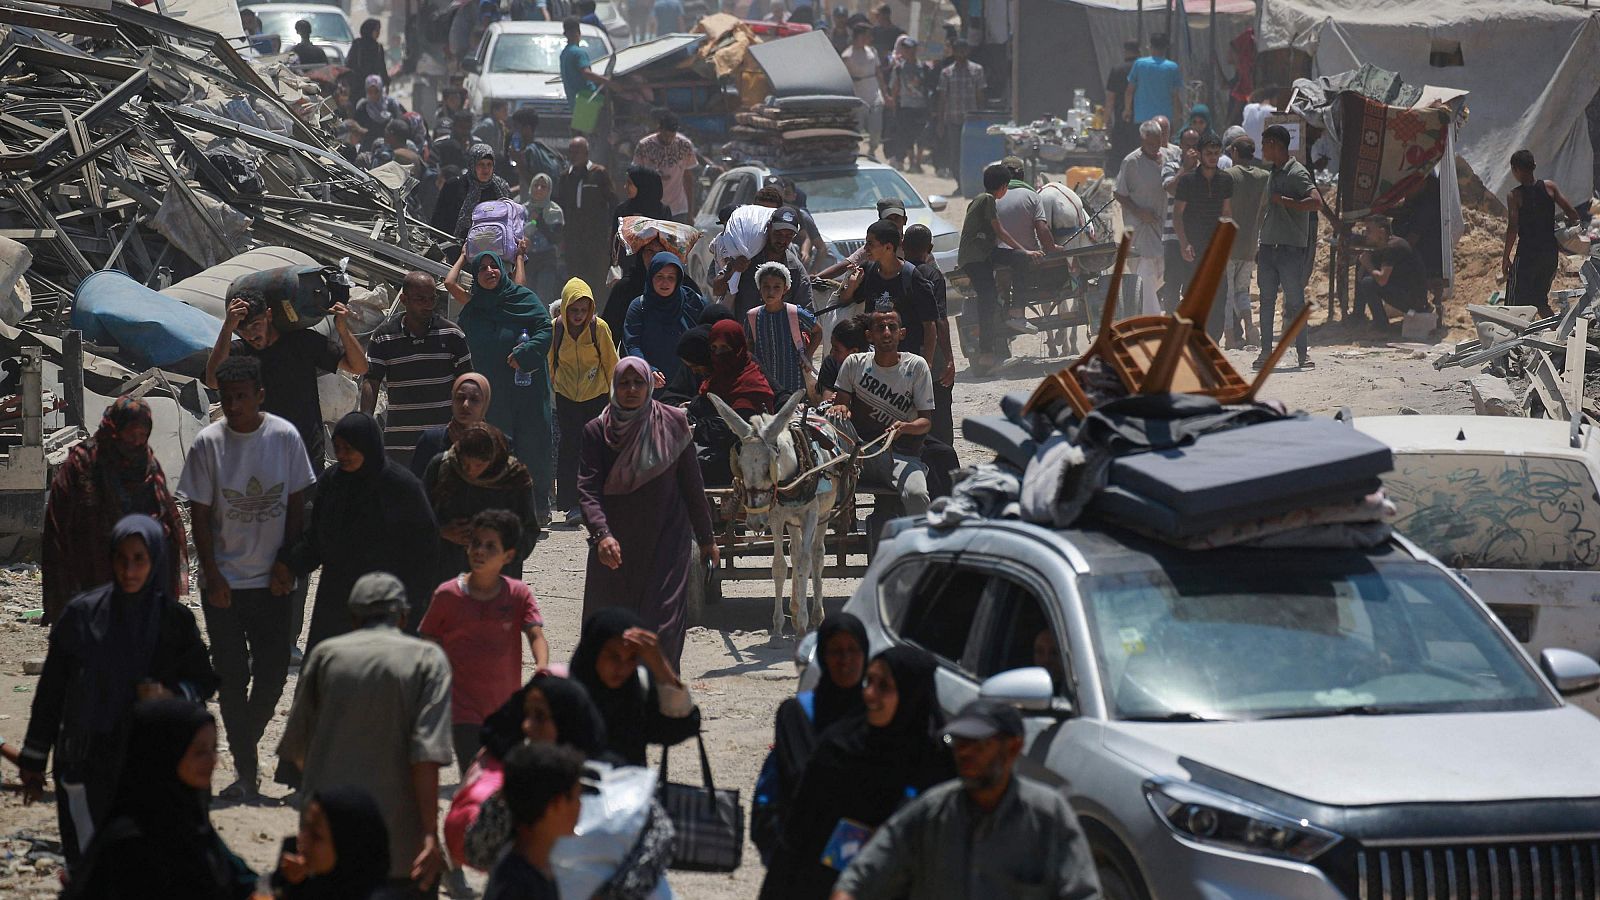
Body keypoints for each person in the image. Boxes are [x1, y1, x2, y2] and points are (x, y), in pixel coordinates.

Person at [20, 516, 216, 865]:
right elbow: (52, 691)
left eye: (139, 559)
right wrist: (34, 760)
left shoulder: (174, 622)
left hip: (152, 764)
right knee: (89, 863)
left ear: (155, 560)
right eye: (121, 559)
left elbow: (203, 682)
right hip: (85, 761)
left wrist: (168, 697)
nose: (129, 570)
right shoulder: (82, 616)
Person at [179, 355, 316, 802]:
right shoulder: (207, 444)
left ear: (260, 395)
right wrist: (211, 574)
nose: (233, 405)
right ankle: (245, 772)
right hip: (225, 586)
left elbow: (296, 509)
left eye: (241, 397)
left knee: (274, 674)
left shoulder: (284, 437)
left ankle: (244, 745)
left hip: (273, 583)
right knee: (232, 677)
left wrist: (288, 564)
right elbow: (199, 516)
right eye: (226, 397)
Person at [278, 572, 454, 897]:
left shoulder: (326, 654)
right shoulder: (427, 660)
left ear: (353, 618)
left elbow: (300, 750)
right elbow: (425, 756)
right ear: (403, 616)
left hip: (328, 846)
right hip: (399, 850)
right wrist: (429, 834)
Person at [830, 699, 1101, 900]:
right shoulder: (931, 813)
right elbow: (860, 878)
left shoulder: (1047, 816)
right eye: (959, 743)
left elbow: (1082, 894)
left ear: (1013, 747)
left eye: (978, 744)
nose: (965, 754)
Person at [758, 646, 953, 900]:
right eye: (868, 681)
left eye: (884, 686)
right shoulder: (838, 750)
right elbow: (797, 839)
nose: (870, 694)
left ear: (911, 694)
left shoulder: (939, 764)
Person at [579, 360, 716, 667]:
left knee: (661, 632)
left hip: (666, 543)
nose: (630, 390)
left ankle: (661, 704)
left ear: (649, 386)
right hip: (615, 548)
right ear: (614, 386)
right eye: (624, 383)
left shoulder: (673, 423)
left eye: (637, 383)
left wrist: (707, 538)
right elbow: (588, 489)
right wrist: (602, 534)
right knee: (611, 635)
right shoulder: (597, 431)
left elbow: (693, 485)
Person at [61, 700, 255, 900]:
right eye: (199, 752)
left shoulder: (188, 821)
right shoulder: (130, 845)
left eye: (213, 749)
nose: (213, 760)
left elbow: (241, 881)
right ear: (165, 754)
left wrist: (285, 879)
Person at [275, 412, 438, 649]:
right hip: (337, 597)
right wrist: (289, 564)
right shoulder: (333, 482)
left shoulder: (401, 487)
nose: (341, 455)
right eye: (338, 448)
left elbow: (425, 548)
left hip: (385, 602)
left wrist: (411, 605)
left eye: (349, 448)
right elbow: (316, 539)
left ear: (367, 446)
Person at [422, 509, 548, 774]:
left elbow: (535, 634)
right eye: (476, 544)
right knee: (474, 772)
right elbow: (429, 637)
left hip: (506, 706)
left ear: (508, 556)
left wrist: (542, 666)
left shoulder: (518, 594)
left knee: (504, 774)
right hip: (461, 707)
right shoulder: (447, 595)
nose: (479, 551)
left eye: (491, 546)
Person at [41, 397, 187, 624]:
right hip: (90, 568)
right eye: (131, 434)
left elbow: (164, 513)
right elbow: (58, 522)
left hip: (139, 573)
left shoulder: (146, 463)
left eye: (142, 435)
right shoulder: (84, 463)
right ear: (114, 429)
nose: (136, 442)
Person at [452, 674, 608, 868]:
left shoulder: (603, 793)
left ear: (566, 721)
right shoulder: (522, 779)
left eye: (540, 717)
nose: (526, 726)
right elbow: (478, 852)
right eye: (527, 715)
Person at [205, 288, 366, 472]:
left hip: (306, 457)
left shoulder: (302, 342)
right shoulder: (240, 353)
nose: (250, 335)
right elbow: (213, 381)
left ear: (269, 315)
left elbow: (359, 367)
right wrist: (227, 328)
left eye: (256, 324)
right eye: (242, 330)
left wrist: (343, 331)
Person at [447, 247, 555, 514]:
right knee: (496, 446)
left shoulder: (523, 298)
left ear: (501, 268)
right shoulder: (473, 309)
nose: (488, 272)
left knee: (534, 445)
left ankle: (537, 505)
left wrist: (526, 353)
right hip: (492, 392)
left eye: (492, 266)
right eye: (481, 269)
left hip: (527, 388)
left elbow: (545, 327)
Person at [753, 614, 868, 863]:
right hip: (801, 861)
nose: (845, 660)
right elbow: (771, 796)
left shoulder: (876, 716)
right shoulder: (796, 716)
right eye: (836, 651)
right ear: (823, 657)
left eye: (853, 650)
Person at [827, 305, 935, 519]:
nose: (886, 333)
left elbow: (926, 421)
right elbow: (841, 404)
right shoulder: (854, 363)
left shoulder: (916, 366)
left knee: (918, 495)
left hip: (901, 457)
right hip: (858, 456)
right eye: (880, 328)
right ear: (870, 335)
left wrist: (905, 427)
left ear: (901, 333)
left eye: (892, 327)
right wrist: (840, 408)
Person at [361, 271, 473, 467]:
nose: (429, 304)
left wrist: (467, 425)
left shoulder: (452, 335)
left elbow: (467, 384)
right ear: (404, 299)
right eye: (420, 299)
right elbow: (371, 380)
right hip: (400, 444)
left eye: (432, 298)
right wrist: (364, 424)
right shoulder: (384, 337)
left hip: (443, 442)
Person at [569, 609, 702, 765]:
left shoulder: (638, 690)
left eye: (632, 658)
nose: (622, 667)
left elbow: (678, 728)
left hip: (630, 788)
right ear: (593, 652)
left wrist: (659, 664)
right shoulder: (562, 697)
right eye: (614, 656)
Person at [424, 422, 539, 592]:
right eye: (465, 464)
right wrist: (442, 531)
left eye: (478, 465)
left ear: (493, 458)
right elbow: (418, 519)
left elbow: (529, 530)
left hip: (498, 583)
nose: (469, 472)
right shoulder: (442, 468)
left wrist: (496, 545)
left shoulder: (514, 478)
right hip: (448, 579)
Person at [959, 167, 1045, 371]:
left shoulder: (979, 200)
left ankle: (1016, 312)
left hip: (985, 254)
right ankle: (987, 355)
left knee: (1019, 259)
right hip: (976, 258)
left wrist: (1021, 252)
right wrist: (1026, 249)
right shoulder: (988, 199)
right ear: (1004, 187)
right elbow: (1000, 231)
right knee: (987, 300)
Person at [550, 278, 619, 526]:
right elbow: (550, 363)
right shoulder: (556, 329)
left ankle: (597, 500)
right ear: (565, 307)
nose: (578, 315)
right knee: (569, 448)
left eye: (583, 310)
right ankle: (572, 504)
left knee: (595, 447)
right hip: (567, 397)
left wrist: (616, 398)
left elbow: (612, 363)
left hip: (596, 396)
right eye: (573, 310)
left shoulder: (598, 328)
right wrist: (553, 390)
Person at [1255, 123, 1322, 371]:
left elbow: (1316, 202)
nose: (1262, 149)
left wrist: (1285, 201)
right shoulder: (1273, 172)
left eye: (1265, 144)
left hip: (1289, 250)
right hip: (1268, 247)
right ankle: (1265, 353)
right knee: (1266, 301)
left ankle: (1303, 355)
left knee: (1295, 303)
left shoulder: (1297, 172)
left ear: (1275, 145)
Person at [483, 743, 585, 900]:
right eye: (576, 798)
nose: (580, 807)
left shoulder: (536, 864)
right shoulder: (515, 886)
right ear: (556, 805)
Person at [273, 786, 409, 900]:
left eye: (316, 836)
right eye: (305, 826)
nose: (301, 839)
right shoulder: (315, 885)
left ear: (348, 849)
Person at [842, 219, 940, 360]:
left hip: (906, 359)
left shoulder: (912, 277)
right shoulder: (868, 271)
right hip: (874, 359)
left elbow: (929, 324)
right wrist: (852, 285)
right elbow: (846, 301)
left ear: (888, 247)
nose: (865, 248)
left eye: (870, 244)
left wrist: (927, 363)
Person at [1504, 148, 1582, 318]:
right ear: (1534, 166)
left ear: (1515, 170)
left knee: (1513, 302)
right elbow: (1573, 215)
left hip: (1527, 255)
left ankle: (1510, 339)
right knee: (1539, 300)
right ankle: (1562, 332)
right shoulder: (1550, 187)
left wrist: (1505, 257)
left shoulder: (1514, 196)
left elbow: (1513, 227)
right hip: (1549, 254)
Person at [1174, 133, 1235, 336]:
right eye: (1208, 153)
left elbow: (1227, 213)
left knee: (1218, 295)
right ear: (1199, 154)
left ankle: (1213, 342)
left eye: (1216, 153)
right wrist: (1184, 244)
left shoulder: (1225, 180)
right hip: (1193, 247)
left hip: (1215, 247)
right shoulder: (1187, 181)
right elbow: (1177, 216)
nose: (1213, 157)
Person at [901, 225, 956, 449]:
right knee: (940, 409)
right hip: (929, 352)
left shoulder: (897, 272)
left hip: (903, 351)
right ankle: (944, 462)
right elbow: (940, 320)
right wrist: (950, 359)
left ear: (903, 245)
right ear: (930, 248)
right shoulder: (932, 275)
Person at [1116, 121, 1177, 318]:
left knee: (1166, 270)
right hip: (1142, 227)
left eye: (1158, 142)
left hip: (1166, 225)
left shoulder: (1169, 157)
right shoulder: (1131, 162)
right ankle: (1151, 319)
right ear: (1142, 140)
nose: (1155, 147)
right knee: (1147, 272)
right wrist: (1139, 211)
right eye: (1150, 143)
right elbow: (1119, 193)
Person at [624, 251, 708, 387]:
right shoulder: (639, 306)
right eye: (659, 276)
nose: (665, 282)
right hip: (654, 384)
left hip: (690, 384)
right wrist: (647, 370)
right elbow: (632, 344)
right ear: (651, 276)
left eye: (671, 277)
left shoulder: (694, 302)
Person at [746, 261, 822, 403]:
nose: (771, 292)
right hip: (766, 380)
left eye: (776, 287)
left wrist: (808, 355)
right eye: (766, 287)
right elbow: (750, 344)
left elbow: (817, 331)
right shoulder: (753, 316)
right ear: (759, 288)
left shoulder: (795, 312)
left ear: (785, 289)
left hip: (794, 379)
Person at [720, 207, 814, 316]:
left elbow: (807, 312)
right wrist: (733, 270)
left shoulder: (795, 268)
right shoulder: (748, 256)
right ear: (769, 227)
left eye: (788, 236)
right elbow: (717, 289)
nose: (782, 240)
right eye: (778, 234)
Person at [1223, 135, 1269, 349]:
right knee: (1242, 291)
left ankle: (1230, 338)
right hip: (1250, 243)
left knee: (1226, 293)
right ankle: (1250, 327)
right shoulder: (1264, 176)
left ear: (1234, 152)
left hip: (1228, 244)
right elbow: (1264, 210)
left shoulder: (1228, 176)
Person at [556, 135, 616, 297]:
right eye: (571, 151)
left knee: (598, 277)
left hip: (596, 237)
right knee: (576, 276)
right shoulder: (565, 177)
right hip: (573, 239)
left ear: (587, 153)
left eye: (578, 151)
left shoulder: (599, 173)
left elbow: (613, 202)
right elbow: (559, 206)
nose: (574, 155)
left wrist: (611, 229)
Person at [411, 372, 492, 480]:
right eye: (460, 397)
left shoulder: (498, 445)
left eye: (474, 399)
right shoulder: (431, 441)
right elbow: (418, 489)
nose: (465, 405)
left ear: (485, 404)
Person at [1355, 215, 1430, 330]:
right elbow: (1360, 278)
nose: (1366, 234)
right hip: (1406, 294)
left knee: (1369, 283)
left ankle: (1381, 326)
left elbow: (1382, 280)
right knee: (1367, 281)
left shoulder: (1393, 247)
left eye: (1369, 230)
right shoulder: (1384, 246)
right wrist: (1364, 261)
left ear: (1381, 232)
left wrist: (1368, 264)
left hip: (1414, 299)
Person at [633, 110, 698, 224]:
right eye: (666, 135)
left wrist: (690, 212)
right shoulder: (644, 146)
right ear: (660, 129)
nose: (668, 139)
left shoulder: (684, 145)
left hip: (678, 209)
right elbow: (636, 179)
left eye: (672, 136)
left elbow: (688, 179)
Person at [934, 40, 984, 180]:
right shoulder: (946, 72)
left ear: (967, 51)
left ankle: (971, 181)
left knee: (971, 153)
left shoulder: (977, 70)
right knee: (955, 154)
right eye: (958, 50)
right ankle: (959, 183)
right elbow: (942, 98)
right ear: (954, 52)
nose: (961, 54)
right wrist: (940, 122)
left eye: (963, 50)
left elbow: (980, 95)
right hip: (953, 120)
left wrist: (982, 117)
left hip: (972, 121)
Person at [707, 318, 778, 414]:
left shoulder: (753, 385)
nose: (718, 353)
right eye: (714, 347)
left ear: (738, 348)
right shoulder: (714, 381)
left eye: (724, 347)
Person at [452, 143, 515, 241]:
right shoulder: (456, 187)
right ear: (472, 164)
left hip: (496, 247)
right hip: (460, 247)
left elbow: (512, 218)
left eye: (489, 164)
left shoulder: (501, 187)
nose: (485, 169)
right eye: (481, 164)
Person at [886, 36, 932, 171]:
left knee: (922, 136)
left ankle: (918, 162)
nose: (908, 52)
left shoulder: (923, 68)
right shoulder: (899, 68)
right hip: (905, 106)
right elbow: (895, 87)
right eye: (905, 49)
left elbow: (928, 86)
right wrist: (894, 104)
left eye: (911, 49)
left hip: (921, 106)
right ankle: (912, 162)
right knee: (907, 136)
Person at [841, 23, 885, 155]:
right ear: (859, 36)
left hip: (874, 92)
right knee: (857, 129)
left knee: (876, 128)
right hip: (858, 95)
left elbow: (878, 72)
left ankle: (872, 149)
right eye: (866, 35)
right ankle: (853, 152)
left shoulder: (872, 51)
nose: (869, 38)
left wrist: (885, 93)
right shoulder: (847, 56)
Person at [523, 172, 566, 302]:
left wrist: (539, 222)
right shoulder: (522, 209)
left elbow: (555, 238)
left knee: (543, 297)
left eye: (543, 186)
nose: (539, 189)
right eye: (536, 185)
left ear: (549, 190)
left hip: (547, 259)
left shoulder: (555, 211)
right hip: (526, 260)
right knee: (527, 297)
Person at [1126, 32, 1182, 126]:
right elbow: (1175, 95)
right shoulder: (1172, 67)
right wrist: (1178, 115)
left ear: (1150, 46)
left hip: (1143, 117)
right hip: (1164, 119)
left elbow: (1130, 91)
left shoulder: (1139, 64)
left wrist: (1127, 110)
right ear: (1166, 48)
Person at [812, 314, 870, 404]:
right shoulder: (831, 363)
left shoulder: (875, 366)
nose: (831, 352)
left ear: (854, 352)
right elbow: (826, 401)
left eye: (836, 349)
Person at [560, 16, 612, 110]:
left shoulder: (565, 53)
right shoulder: (579, 53)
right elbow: (586, 73)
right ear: (578, 33)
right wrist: (607, 81)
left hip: (574, 100)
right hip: (588, 100)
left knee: (581, 124)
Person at [1105, 40, 1140, 176]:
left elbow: (1110, 99)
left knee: (1118, 159)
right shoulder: (1143, 70)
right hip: (1141, 120)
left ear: (1125, 51)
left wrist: (1106, 121)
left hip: (1121, 120)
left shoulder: (1117, 70)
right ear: (1139, 51)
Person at [354, 76, 405, 151]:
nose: (373, 95)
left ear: (381, 90)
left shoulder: (391, 104)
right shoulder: (363, 107)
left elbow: (401, 122)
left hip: (390, 147)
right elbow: (356, 126)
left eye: (376, 91)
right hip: (368, 148)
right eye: (370, 92)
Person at [474, 99, 513, 179]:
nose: (507, 113)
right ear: (495, 111)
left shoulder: (499, 125)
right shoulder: (488, 125)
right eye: (504, 110)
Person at [346, 19, 387, 93]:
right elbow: (350, 64)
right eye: (376, 30)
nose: (378, 33)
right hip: (357, 86)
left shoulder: (378, 47)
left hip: (373, 86)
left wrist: (386, 82)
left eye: (379, 30)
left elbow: (382, 68)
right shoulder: (357, 44)